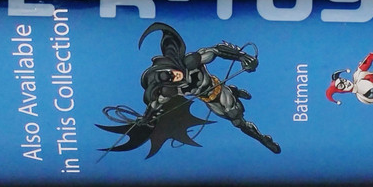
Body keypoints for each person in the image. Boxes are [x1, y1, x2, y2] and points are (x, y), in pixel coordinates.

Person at [98, 23, 280, 158]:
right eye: (169, 79)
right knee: (234, 120)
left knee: (236, 117)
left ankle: (262, 138)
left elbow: (216, 50)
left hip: (218, 88)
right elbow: (154, 105)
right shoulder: (169, 91)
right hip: (208, 100)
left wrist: (242, 57)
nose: (175, 77)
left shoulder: (191, 61)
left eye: (171, 73)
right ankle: (236, 93)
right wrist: (146, 119)